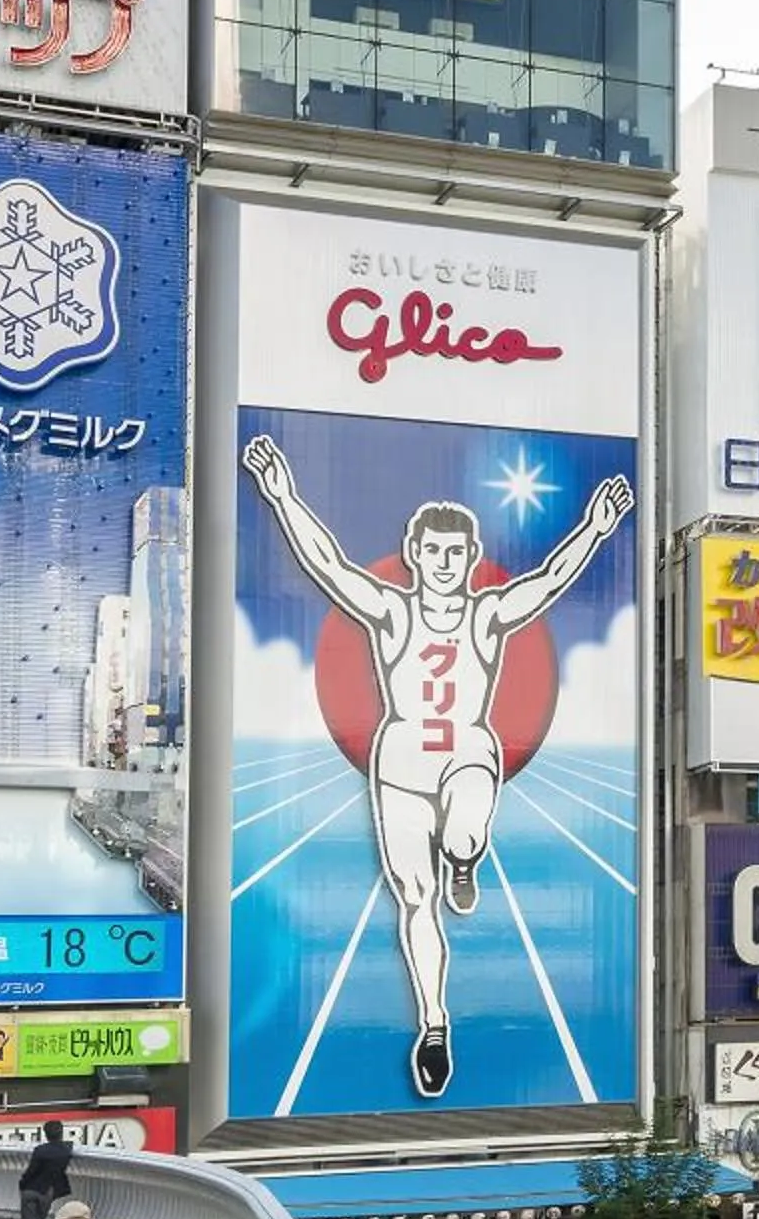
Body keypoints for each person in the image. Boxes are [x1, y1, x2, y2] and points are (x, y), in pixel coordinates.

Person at [241, 437, 632, 1097]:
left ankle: (464, 856)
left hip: (469, 754)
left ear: (471, 559)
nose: (446, 563)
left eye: (458, 553)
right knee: (415, 902)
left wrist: (594, 528)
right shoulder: (392, 613)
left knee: (464, 828)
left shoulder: (486, 615)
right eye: (434, 552)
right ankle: (434, 1023)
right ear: (415, 556)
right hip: (397, 767)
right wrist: (282, 495)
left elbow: (547, 582)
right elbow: (328, 565)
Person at [16, 1120, 74, 1219]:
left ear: (45, 1134)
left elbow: (31, 1172)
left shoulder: (40, 1150)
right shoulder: (66, 1150)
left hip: (30, 1190)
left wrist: (22, 1183)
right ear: (61, 1133)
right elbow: (67, 1146)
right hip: (47, 1192)